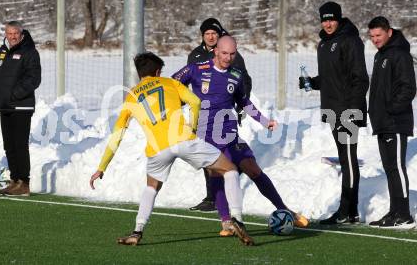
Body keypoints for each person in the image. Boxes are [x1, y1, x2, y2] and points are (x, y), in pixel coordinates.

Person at [90, 52, 254, 246]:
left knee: (151, 187)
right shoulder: (169, 83)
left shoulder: (131, 97)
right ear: (158, 71)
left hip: (158, 149)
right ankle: (236, 218)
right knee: (230, 170)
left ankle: (137, 231)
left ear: (139, 74)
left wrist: (102, 167)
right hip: (184, 140)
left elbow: (117, 135)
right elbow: (196, 102)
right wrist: (193, 126)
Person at [173, 35, 309, 236]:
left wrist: (264, 121)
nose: (228, 58)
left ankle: (285, 209)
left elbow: (244, 102)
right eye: (225, 53)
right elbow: (171, 85)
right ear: (216, 51)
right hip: (206, 138)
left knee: (253, 170)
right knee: (216, 176)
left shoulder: (236, 75)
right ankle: (226, 222)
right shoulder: (196, 69)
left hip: (230, 135)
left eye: (232, 54)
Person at [299, 2, 369, 225]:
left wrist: (352, 109)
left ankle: (346, 211)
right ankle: (350, 212)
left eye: (331, 19)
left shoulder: (350, 40)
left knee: (348, 161)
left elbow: (360, 79)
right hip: (332, 111)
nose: (328, 23)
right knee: (344, 160)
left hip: (347, 111)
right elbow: (332, 79)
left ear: (339, 19)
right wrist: (311, 82)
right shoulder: (324, 44)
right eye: (324, 20)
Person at [187, 18, 253, 212]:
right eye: (207, 33)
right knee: (206, 154)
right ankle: (212, 196)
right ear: (202, 36)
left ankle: (226, 189)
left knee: (226, 150)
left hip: (225, 113)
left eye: (214, 33)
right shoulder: (195, 55)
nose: (211, 36)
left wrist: (241, 104)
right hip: (203, 113)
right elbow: (189, 82)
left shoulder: (230, 54)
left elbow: (243, 79)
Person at [367, 16, 416, 229]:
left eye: (378, 35)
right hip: (383, 123)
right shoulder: (382, 55)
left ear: (389, 32)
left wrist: (390, 110)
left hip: (395, 122)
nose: (375, 39)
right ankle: (394, 211)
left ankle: (404, 213)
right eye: (372, 36)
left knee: (396, 167)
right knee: (389, 168)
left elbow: (409, 88)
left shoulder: (400, 55)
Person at [0, 21, 41, 196]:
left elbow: (34, 79)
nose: (12, 36)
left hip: (21, 106)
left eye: (15, 33)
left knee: (20, 145)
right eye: (9, 33)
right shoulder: (2, 51)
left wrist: (14, 95)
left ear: (21, 34)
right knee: (9, 145)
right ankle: (14, 180)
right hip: (5, 106)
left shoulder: (29, 52)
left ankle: (24, 183)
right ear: (5, 34)